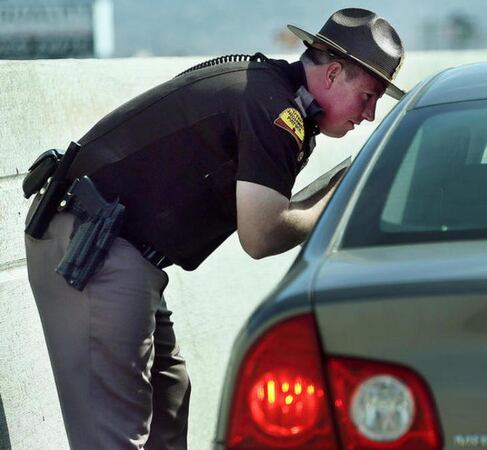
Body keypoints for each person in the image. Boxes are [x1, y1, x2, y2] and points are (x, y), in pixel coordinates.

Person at [23, 8, 404, 449]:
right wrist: (342, 192)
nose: (370, 114)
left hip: (112, 246)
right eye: (368, 96)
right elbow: (261, 234)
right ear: (333, 73)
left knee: (169, 398)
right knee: (114, 436)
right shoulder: (275, 110)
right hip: (93, 250)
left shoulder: (272, 93)